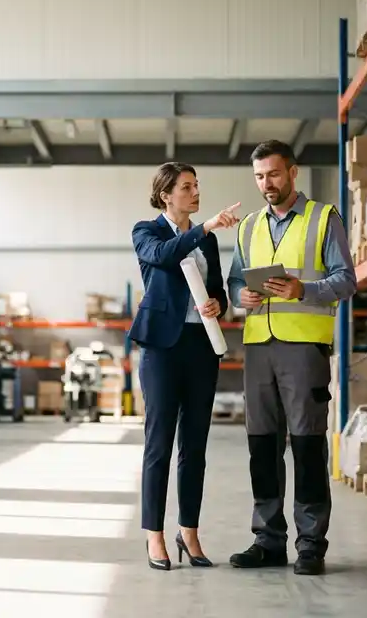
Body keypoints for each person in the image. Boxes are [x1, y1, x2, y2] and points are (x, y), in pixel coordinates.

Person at [226, 140, 357, 576]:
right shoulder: (247, 227)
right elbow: (233, 281)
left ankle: (310, 545)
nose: (267, 184)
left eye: (274, 175)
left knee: (306, 446)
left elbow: (346, 279)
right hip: (258, 346)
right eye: (260, 176)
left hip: (304, 348)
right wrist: (238, 296)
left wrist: (305, 290)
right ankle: (268, 541)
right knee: (261, 448)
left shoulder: (323, 218)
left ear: (293, 172)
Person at [129, 162, 242, 571]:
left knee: (194, 446)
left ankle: (188, 532)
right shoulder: (147, 231)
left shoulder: (206, 241)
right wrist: (205, 227)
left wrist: (219, 305)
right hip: (162, 348)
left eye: (197, 186)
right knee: (159, 444)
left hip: (201, 346)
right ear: (166, 195)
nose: (195, 192)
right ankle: (154, 536)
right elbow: (162, 256)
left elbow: (217, 292)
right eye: (187, 187)